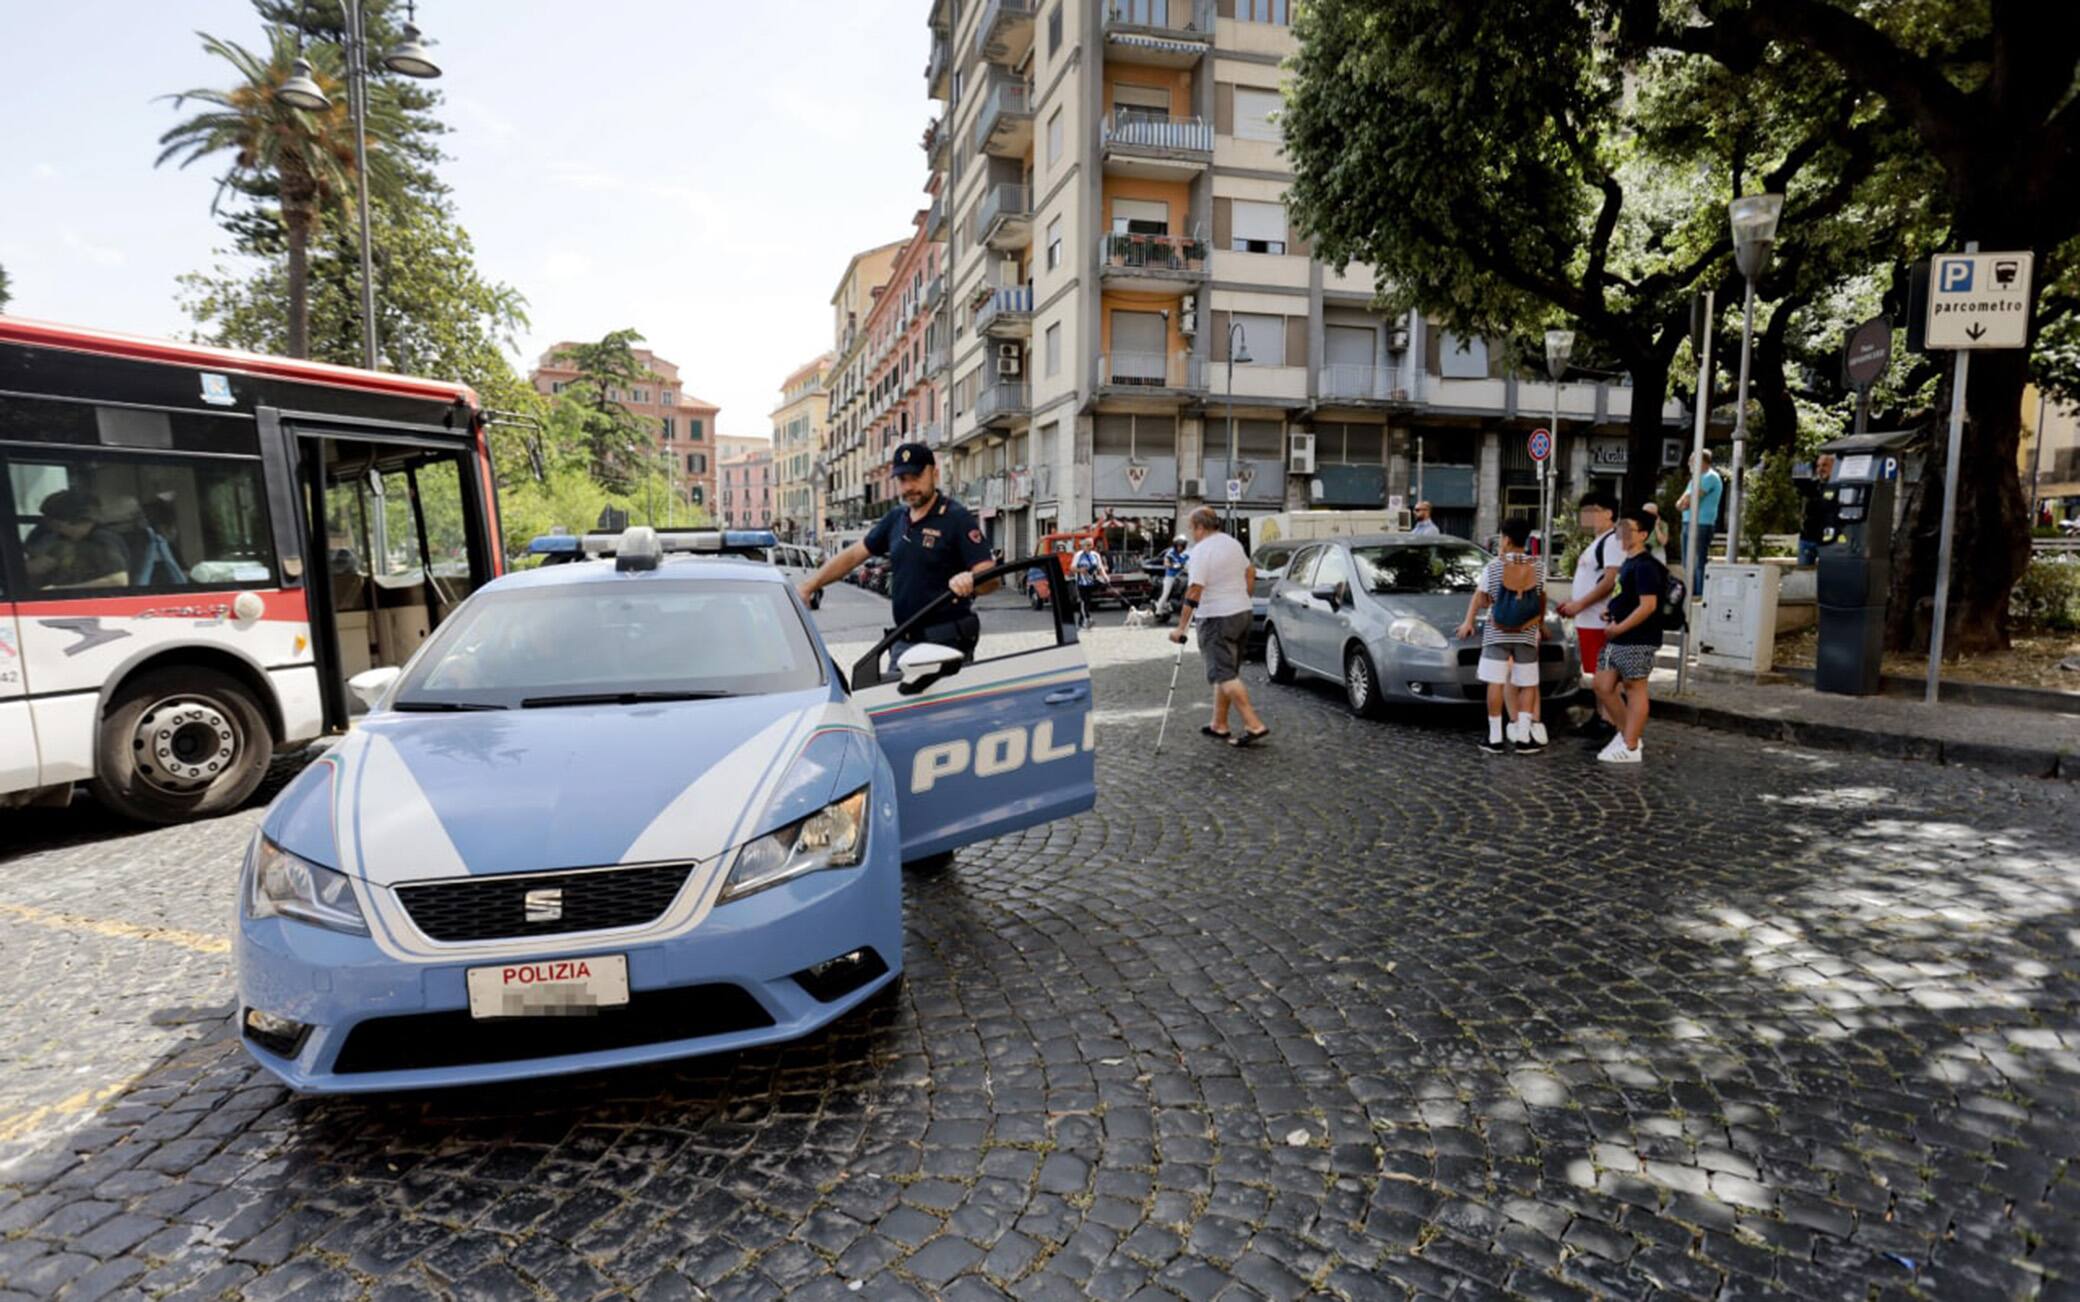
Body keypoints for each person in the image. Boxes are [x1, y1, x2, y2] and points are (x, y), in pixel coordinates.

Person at [797, 442, 995, 670]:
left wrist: (971, 580)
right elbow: (853, 556)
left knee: (939, 706)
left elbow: (989, 578)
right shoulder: (896, 518)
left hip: (946, 643)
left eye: (916, 477)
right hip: (904, 641)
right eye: (902, 480)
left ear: (935, 474)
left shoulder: (956, 518)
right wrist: (810, 585)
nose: (909, 486)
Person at [1170, 505, 1268, 747]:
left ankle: (1253, 724)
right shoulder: (1232, 543)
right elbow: (1250, 571)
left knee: (1223, 674)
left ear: (1201, 527)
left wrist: (1180, 627)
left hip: (1216, 617)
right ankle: (1219, 724)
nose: (1192, 533)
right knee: (1227, 673)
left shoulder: (1201, 551)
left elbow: (1194, 590)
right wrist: (1243, 596)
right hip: (1242, 613)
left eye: (1192, 528)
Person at [1457, 517, 1546, 754]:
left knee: (1495, 683)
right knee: (1527, 684)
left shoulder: (1494, 566)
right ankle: (1524, 738)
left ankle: (1495, 737)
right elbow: (1541, 597)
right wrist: (1541, 626)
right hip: (1527, 632)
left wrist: (1468, 621)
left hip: (1498, 632)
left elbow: (1480, 596)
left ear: (1505, 539)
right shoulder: (1538, 566)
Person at [1593, 506, 1669, 764]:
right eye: (1620, 529)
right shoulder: (1629, 563)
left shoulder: (1648, 566)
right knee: (1602, 686)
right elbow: (1625, 597)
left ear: (1643, 534)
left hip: (1637, 638)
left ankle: (1631, 744)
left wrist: (1619, 626)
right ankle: (1627, 733)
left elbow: (1648, 606)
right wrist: (1610, 612)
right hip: (1617, 636)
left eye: (1629, 530)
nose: (1622, 534)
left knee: (1635, 688)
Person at [1555, 492, 1621, 741]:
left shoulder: (1612, 541)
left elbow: (1609, 580)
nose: (1587, 517)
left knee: (1605, 677)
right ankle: (1601, 718)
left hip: (1597, 620)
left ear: (1608, 513)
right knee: (1596, 674)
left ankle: (1610, 722)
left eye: (1592, 511)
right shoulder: (1598, 542)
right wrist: (1574, 603)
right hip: (1587, 619)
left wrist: (1580, 603)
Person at [23, 489, 129, 590]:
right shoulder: (66, 539)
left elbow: (118, 581)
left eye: (53, 521)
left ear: (68, 520)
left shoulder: (102, 539)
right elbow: (41, 565)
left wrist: (58, 590)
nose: (50, 526)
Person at [1675, 449, 1723, 596]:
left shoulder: (1710, 477)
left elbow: (1691, 500)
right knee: (1686, 561)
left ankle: (1698, 593)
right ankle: (1689, 591)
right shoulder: (1694, 479)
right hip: (1688, 521)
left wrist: (1685, 501)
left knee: (1697, 561)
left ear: (1702, 462)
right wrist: (1684, 501)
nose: (1689, 464)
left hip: (1701, 523)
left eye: (1692, 460)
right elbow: (1679, 504)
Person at [1796, 453, 1838, 567]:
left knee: (1828, 576)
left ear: (1834, 466)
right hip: (1807, 539)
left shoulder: (1839, 487)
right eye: (1818, 466)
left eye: (1824, 465)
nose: (1820, 469)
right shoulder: (1813, 486)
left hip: (1828, 541)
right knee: (1803, 575)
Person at [1155, 536, 1189, 617]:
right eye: (1178, 545)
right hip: (1170, 576)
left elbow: (1191, 561)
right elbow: (1166, 562)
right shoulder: (1171, 553)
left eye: (1182, 545)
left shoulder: (1185, 555)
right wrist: (1172, 565)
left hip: (1182, 576)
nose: (1180, 547)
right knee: (1166, 593)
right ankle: (1158, 610)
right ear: (1175, 545)